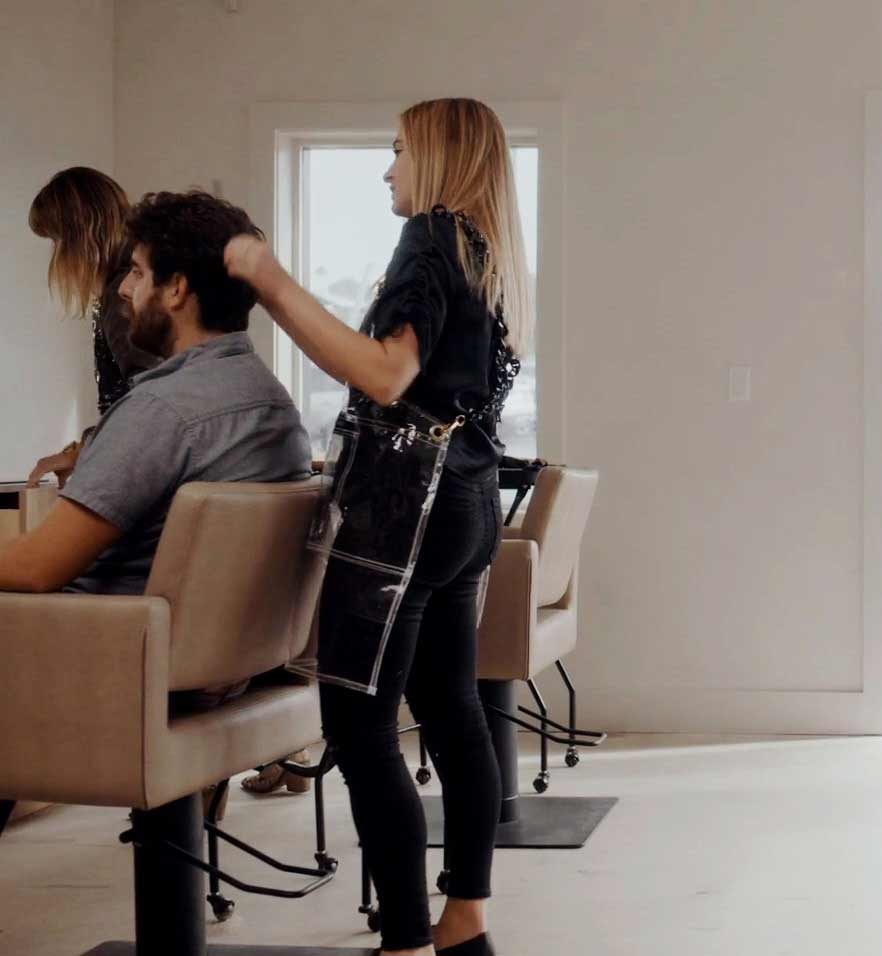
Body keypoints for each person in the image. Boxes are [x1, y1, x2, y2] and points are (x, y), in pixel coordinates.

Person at [225, 97, 529, 956]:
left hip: (407, 514)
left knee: (360, 726)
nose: (388, 169)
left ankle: (403, 943)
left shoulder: (432, 234)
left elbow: (388, 375)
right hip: (468, 502)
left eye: (399, 150)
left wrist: (269, 279)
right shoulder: (486, 253)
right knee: (453, 711)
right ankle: (463, 921)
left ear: (440, 158)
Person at [0, 189, 309, 676]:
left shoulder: (161, 412)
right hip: (220, 667)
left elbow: (36, 567)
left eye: (138, 272)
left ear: (176, 290)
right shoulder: (275, 405)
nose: (124, 289)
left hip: (93, 654)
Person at [25, 167, 164, 488]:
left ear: (79, 238)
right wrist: (83, 451)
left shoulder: (121, 296)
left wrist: (86, 452)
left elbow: (148, 403)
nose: (55, 255)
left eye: (56, 240)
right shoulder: (132, 286)